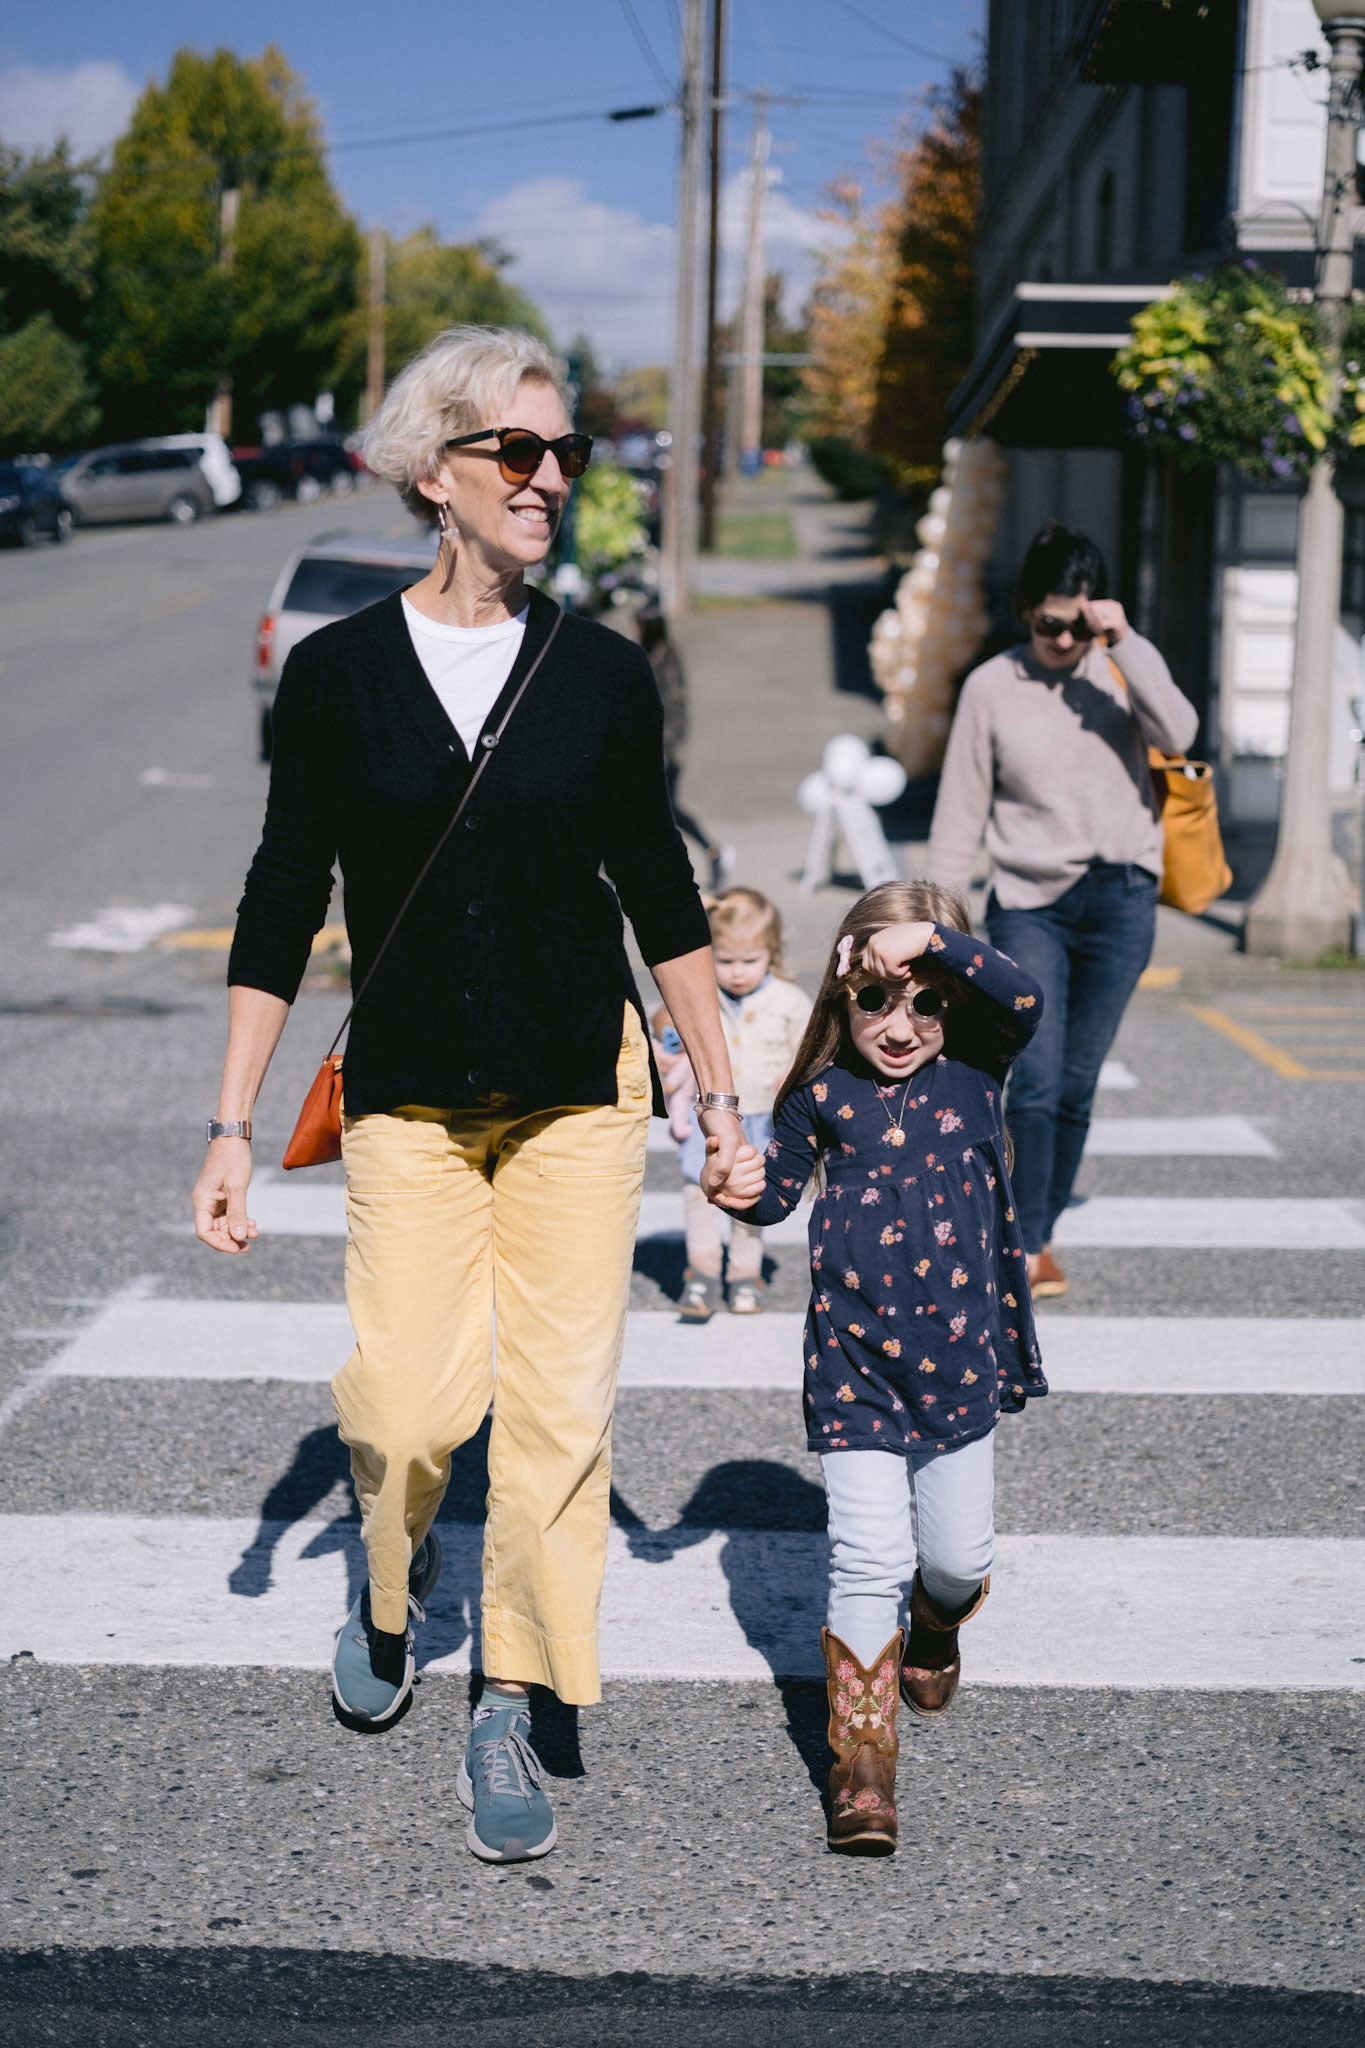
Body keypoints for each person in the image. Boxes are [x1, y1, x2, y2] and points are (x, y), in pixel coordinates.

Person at [191, 324, 745, 1867]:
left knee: (557, 1424)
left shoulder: (602, 675)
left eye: (567, 453)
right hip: (411, 1093)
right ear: (435, 473)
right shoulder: (337, 676)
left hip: (578, 1089)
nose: (550, 477)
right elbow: (281, 897)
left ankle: (508, 1697)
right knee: (410, 1409)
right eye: (519, 450)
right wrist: (231, 1127)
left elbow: (661, 890)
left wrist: (721, 1102)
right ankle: (388, 1589)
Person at [715, 881, 1047, 1855]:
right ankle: (861, 1763)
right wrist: (736, 1186)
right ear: (840, 992)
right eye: (874, 1000)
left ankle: (935, 1626)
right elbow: (774, 1194)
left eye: (926, 1001)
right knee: (866, 1558)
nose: (899, 1027)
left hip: (959, 1364)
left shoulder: (979, 1066)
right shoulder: (820, 1093)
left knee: (955, 1561)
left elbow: (1023, 995)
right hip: (853, 1365)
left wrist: (928, 938)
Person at [928, 521, 1198, 1299]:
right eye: (1049, 623)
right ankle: (1023, 1242)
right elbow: (959, 811)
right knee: (1037, 1078)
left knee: (1078, 1082)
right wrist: (936, 929)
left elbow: (1181, 734)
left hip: (1121, 898)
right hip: (1027, 903)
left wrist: (1125, 643)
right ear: (1025, 610)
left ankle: (1036, 1228)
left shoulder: (1118, 669)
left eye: (1078, 624)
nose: (1063, 639)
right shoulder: (990, 687)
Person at [656, 888, 811, 1320]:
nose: (738, 972)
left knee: (749, 1194)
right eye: (725, 961)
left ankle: (745, 1274)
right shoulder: (700, 996)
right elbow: (667, 1026)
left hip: (764, 1119)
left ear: (771, 952)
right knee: (699, 1195)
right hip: (709, 1120)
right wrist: (664, 1052)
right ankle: (702, 1271)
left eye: (750, 960)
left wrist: (795, 1073)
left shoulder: (789, 1001)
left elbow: (810, 1051)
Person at [638, 608, 733, 889]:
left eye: (639, 626)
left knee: (666, 809)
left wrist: (663, 751)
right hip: (650, 750)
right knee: (652, 810)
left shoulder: (666, 658)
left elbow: (674, 709)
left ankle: (713, 851)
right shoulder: (647, 654)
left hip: (665, 752)